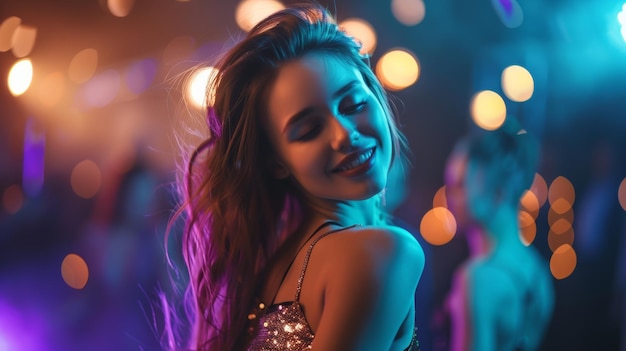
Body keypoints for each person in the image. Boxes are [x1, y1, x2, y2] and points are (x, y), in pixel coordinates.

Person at [164, 3, 425, 350]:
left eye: (352, 105)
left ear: (376, 94)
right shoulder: (381, 254)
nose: (344, 135)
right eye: (310, 129)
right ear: (276, 161)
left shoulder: (274, 263)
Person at [443, 118, 554, 351]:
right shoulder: (538, 271)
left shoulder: (477, 279)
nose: (450, 195)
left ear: (498, 192)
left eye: (461, 184)